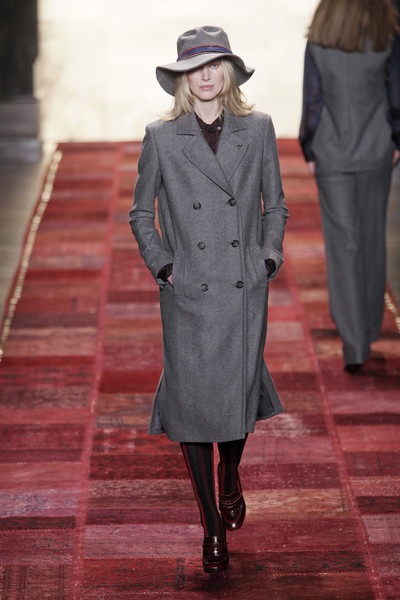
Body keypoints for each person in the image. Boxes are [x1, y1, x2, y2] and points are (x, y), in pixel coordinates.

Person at [129, 25, 288, 572]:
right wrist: (164, 265)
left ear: (229, 72)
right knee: (193, 400)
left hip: (243, 284)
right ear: (181, 77)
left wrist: (267, 257)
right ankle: (211, 528)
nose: (205, 75)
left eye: (214, 64)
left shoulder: (258, 128)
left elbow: (275, 204)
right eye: (194, 67)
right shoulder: (160, 136)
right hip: (189, 289)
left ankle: (230, 472)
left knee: (237, 390)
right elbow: (140, 212)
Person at [299, 0, 400, 374]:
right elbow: (395, 93)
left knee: (344, 245)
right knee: (372, 238)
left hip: (332, 151)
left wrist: (308, 145)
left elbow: (312, 97)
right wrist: (397, 138)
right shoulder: (386, 35)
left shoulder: (321, 36)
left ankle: (353, 340)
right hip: (377, 149)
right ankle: (369, 328)